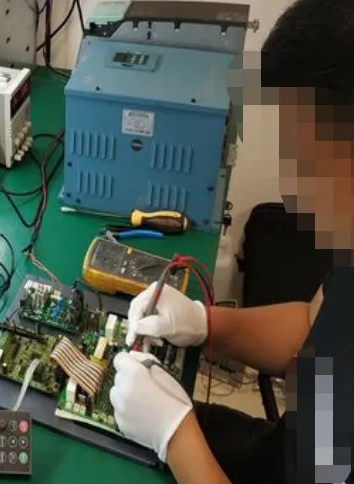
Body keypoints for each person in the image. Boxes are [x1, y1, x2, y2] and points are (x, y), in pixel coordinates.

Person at [109, 0, 354, 483]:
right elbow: (312, 327)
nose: (293, 188)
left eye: (309, 162)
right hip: (293, 453)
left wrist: (175, 436)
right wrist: (204, 322)